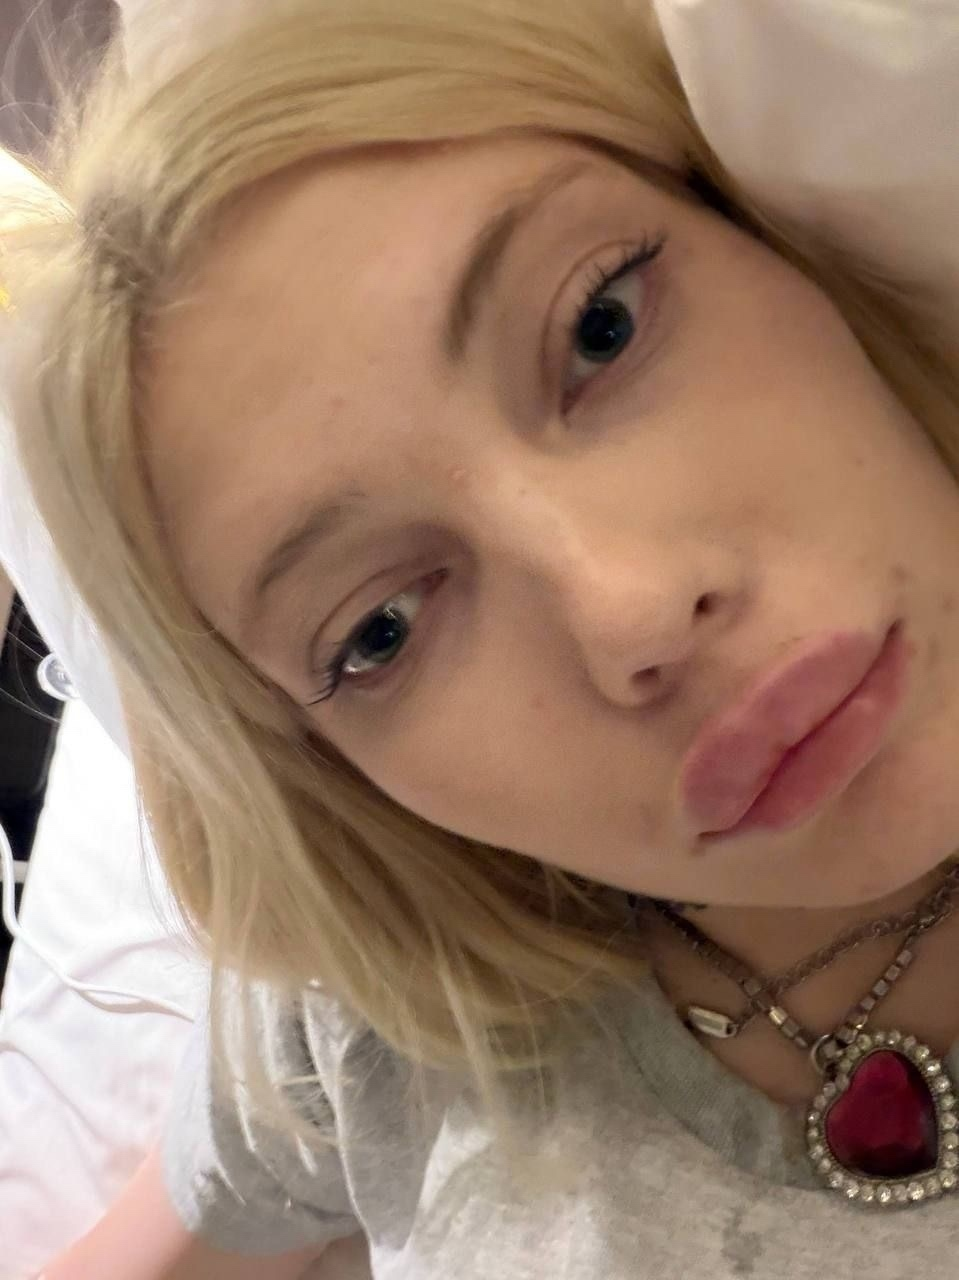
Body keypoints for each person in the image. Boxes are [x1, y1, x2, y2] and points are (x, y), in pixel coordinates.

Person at [4, 0, 959, 1275]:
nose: (628, 606)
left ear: (763, 230)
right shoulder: (391, 1005)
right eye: (381, 628)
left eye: (599, 327)